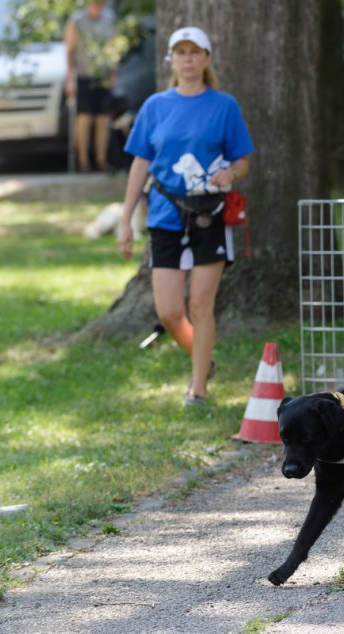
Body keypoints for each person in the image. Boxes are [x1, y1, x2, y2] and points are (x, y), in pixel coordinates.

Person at [118, 26, 254, 408]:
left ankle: (198, 388)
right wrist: (126, 219)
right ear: (171, 60)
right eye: (181, 52)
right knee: (169, 310)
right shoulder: (155, 106)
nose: (188, 59)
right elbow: (139, 164)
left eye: (195, 52)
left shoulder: (224, 105)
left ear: (207, 58)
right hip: (163, 217)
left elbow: (242, 158)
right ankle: (203, 358)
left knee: (200, 306)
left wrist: (233, 172)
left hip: (209, 215)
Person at [65, 0, 118, 173]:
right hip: (83, 76)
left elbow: (114, 49)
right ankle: (83, 162)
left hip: (102, 76)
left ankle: (101, 161)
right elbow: (70, 51)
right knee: (84, 119)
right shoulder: (76, 21)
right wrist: (70, 79)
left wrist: (113, 75)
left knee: (103, 119)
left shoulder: (110, 19)